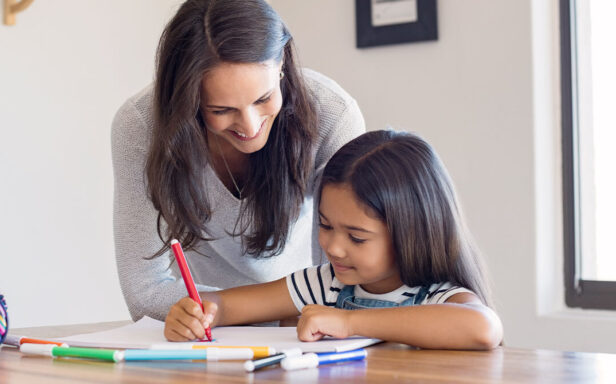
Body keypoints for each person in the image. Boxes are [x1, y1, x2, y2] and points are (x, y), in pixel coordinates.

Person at [111, 0, 365, 321]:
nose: (249, 125)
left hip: (303, 326)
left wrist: (229, 308)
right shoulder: (141, 126)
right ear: (187, 100)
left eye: (264, 98)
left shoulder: (332, 113)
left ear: (283, 63)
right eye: (221, 110)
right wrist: (216, 314)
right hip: (200, 332)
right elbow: (144, 289)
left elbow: (349, 269)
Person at [163, 130, 504, 350]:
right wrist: (202, 312)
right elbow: (229, 304)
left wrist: (348, 323)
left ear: (411, 233)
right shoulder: (324, 284)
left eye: (357, 238)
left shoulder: (436, 295)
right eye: (325, 226)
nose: (333, 248)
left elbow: (483, 327)